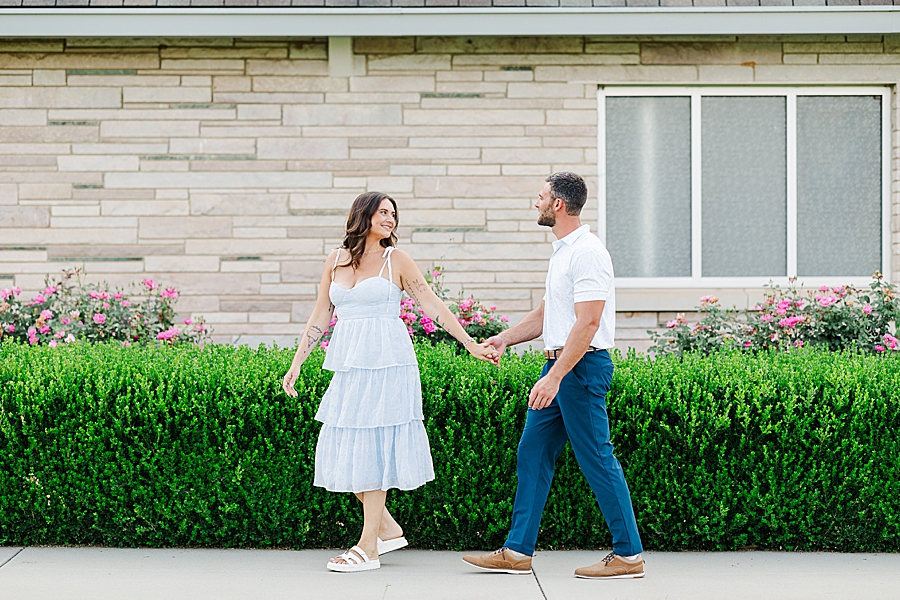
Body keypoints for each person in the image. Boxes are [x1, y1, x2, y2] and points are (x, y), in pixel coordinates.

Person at [282, 191, 498, 573]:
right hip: (350, 365)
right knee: (344, 443)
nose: (390, 219)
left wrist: (469, 343)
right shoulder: (335, 260)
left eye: (394, 214)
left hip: (388, 363)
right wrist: (297, 361)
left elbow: (430, 301)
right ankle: (387, 528)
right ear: (363, 215)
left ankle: (368, 548)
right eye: (383, 212)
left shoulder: (395, 260)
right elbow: (321, 312)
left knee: (373, 446)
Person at [462, 172, 645, 579]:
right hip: (559, 367)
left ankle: (629, 555)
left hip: (579, 369)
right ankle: (517, 551)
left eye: (541, 196)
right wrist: (506, 338)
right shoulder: (563, 251)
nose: (536, 202)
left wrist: (555, 377)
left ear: (558, 205)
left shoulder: (589, 253)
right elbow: (549, 315)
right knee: (533, 454)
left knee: (598, 457)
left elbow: (588, 323)